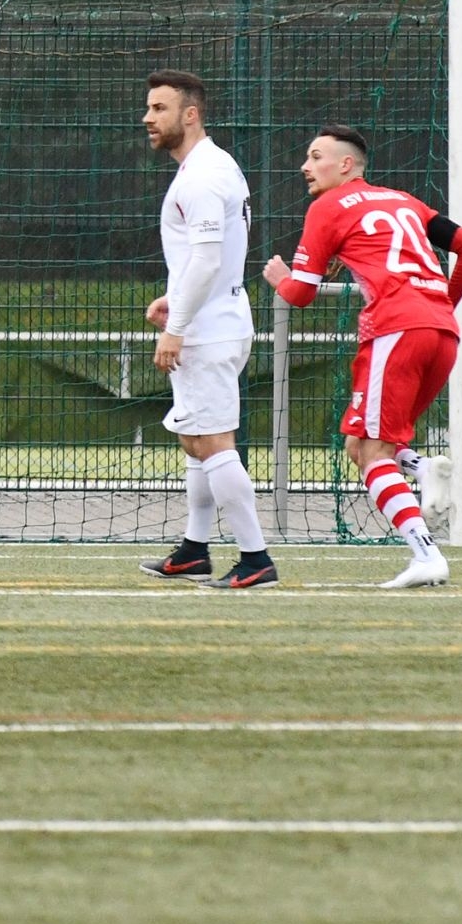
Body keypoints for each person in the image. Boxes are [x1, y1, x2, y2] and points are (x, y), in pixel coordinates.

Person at [263, 123, 462, 588]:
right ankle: (423, 469)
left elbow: (301, 293)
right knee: (360, 445)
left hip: (396, 331)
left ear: (345, 164)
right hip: (441, 333)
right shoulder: (404, 201)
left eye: (315, 155)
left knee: (372, 451)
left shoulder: (326, 207)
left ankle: (426, 556)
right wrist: (443, 300)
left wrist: (279, 278)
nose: (305, 166)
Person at [137, 70, 278, 589]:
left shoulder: (200, 175)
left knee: (214, 442)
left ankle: (256, 558)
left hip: (209, 328)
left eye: (159, 108)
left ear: (189, 114)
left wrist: (176, 324)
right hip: (218, 316)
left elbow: (206, 260)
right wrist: (177, 301)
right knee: (195, 441)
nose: (148, 118)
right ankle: (195, 551)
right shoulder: (217, 165)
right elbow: (207, 265)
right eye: (149, 108)